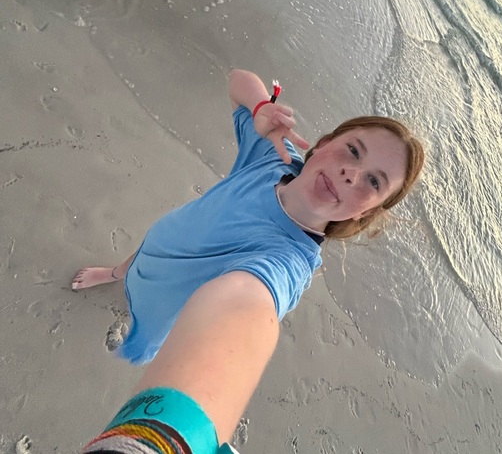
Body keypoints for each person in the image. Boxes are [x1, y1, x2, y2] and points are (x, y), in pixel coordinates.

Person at [76, 69, 425, 453]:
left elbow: (248, 305)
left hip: (162, 314)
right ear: (324, 143)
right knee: (138, 258)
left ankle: (131, 324)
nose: (352, 173)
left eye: (374, 182)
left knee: (140, 340)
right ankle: (114, 272)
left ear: (366, 212)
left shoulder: (289, 261)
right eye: (353, 150)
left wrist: (166, 437)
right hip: (158, 248)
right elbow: (238, 81)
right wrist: (261, 108)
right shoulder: (273, 158)